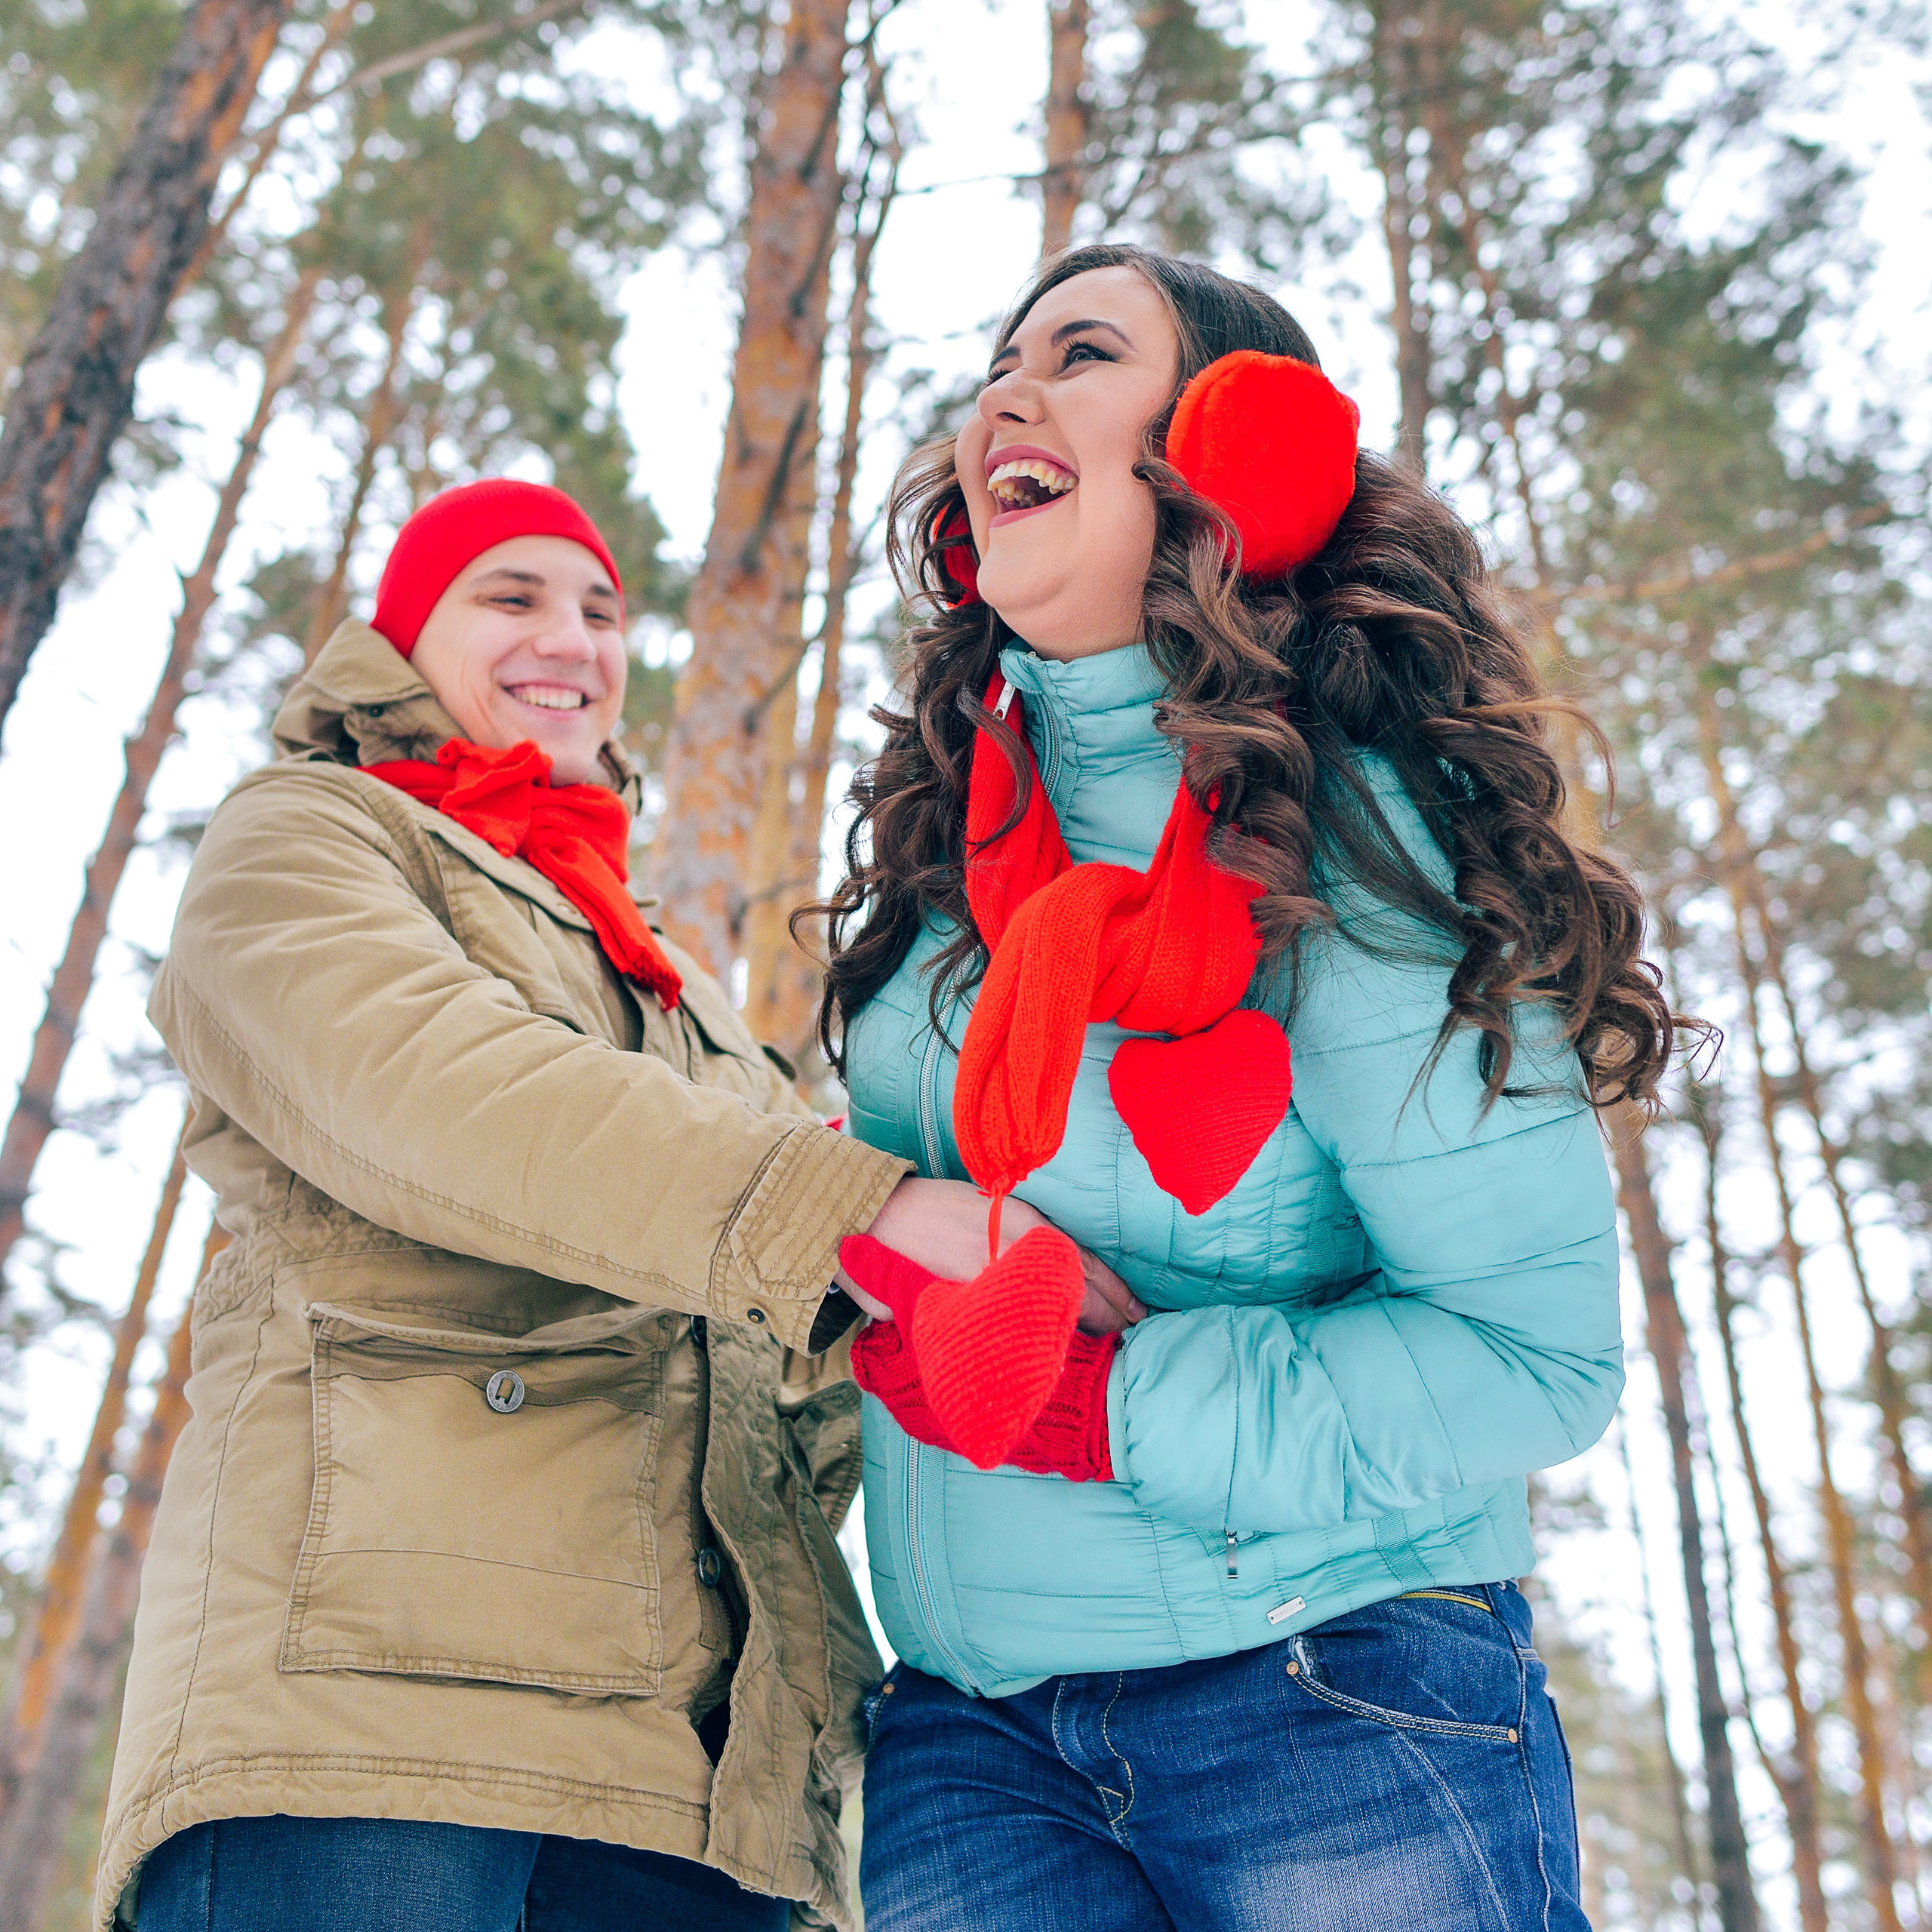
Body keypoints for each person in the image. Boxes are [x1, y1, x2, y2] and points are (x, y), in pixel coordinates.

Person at [97, 477, 1134, 1932]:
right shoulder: (314, 838)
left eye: (599, 611)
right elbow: (438, 1091)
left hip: (698, 1782)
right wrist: (868, 1210)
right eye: (508, 598)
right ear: (403, 639)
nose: (570, 640)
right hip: (374, 1730)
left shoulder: (670, 985)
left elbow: (793, 1305)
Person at [820, 244, 1684, 1930]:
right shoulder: (943, 869)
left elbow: (1536, 1353)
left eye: (1078, 354)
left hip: (1317, 1693)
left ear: (1226, 448)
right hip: (966, 1744)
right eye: (996, 363)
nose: (1004, 390)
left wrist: (1109, 1409)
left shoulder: (1349, 839)